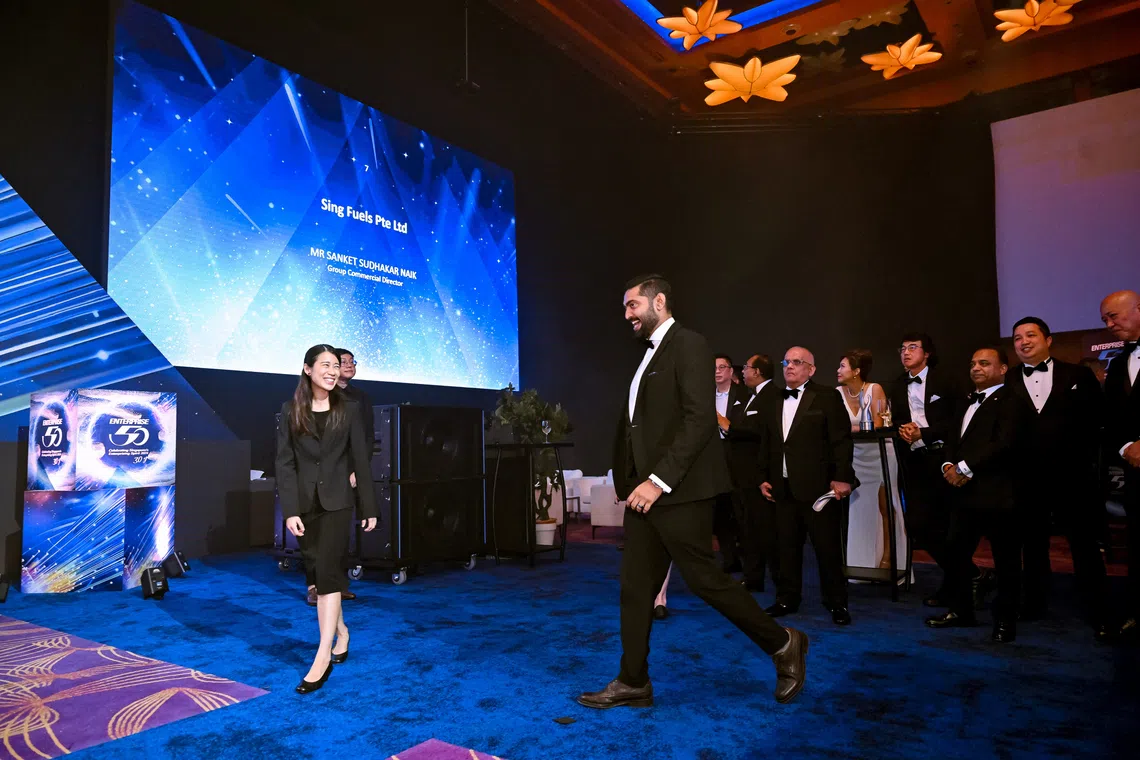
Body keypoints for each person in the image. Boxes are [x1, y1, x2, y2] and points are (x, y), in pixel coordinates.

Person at [576, 275, 806, 709]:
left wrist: (658, 480)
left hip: (678, 490)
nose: (626, 315)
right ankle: (633, 680)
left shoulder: (690, 344)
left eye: (632, 305)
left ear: (658, 302)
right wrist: (630, 480)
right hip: (645, 493)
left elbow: (698, 421)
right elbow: (637, 427)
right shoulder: (649, 355)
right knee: (635, 588)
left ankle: (783, 644)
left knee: (705, 581)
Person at [276, 344, 378, 693]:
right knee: (318, 573)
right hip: (305, 505)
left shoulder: (349, 409)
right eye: (326, 365)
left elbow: (361, 459)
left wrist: (369, 507)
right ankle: (342, 631)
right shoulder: (291, 410)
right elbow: (284, 463)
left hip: (338, 502)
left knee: (329, 574)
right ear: (308, 369)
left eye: (337, 365)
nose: (333, 371)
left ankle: (321, 657)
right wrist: (290, 509)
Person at [1006, 317, 1110, 640]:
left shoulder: (1077, 375)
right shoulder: (1008, 379)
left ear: (1048, 340)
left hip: (1072, 477)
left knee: (1084, 544)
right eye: (1017, 337)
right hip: (1025, 479)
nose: (1024, 342)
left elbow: (1097, 420)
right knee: (1032, 545)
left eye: (1031, 335)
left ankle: (1099, 610)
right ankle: (1034, 603)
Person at [926, 347, 1033, 643]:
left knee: (1006, 560)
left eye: (984, 363)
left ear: (1003, 369)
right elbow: (953, 438)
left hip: (998, 493)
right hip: (963, 493)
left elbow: (1004, 444)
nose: (976, 368)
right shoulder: (965, 400)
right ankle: (961, 611)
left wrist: (963, 467)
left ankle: (1005, 621)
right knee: (956, 552)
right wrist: (948, 464)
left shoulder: (1013, 400)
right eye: (973, 363)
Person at [890, 333, 992, 608]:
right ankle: (970, 574)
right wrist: (903, 429)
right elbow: (896, 418)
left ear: (927, 353)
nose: (906, 352)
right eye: (902, 348)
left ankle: (953, 586)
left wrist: (924, 432)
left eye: (913, 347)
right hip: (914, 461)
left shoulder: (947, 380)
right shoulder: (897, 384)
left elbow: (960, 419)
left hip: (944, 458)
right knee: (919, 526)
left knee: (948, 527)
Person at [757, 347, 855, 625]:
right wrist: (763, 477)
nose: (789, 366)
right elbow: (767, 442)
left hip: (819, 489)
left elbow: (841, 440)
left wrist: (843, 477)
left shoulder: (827, 396)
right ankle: (787, 599)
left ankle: (837, 603)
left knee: (827, 549)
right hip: (782, 488)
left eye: (797, 362)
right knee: (785, 548)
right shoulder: (774, 398)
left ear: (811, 369)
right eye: (786, 361)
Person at [301, 347, 375, 606]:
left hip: (346, 475)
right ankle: (315, 585)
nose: (347, 366)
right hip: (316, 479)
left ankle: (336, 585)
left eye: (351, 362)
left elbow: (365, 438)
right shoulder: (310, 399)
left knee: (338, 535)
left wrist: (356, 471)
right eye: (341, 362)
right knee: (314, 538)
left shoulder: (359, 399)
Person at [837, 350, 905, 575]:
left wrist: (848, 429)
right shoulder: (837, 393)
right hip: (856, 456)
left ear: (856, 371)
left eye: (843, 366)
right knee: (860, 508)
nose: (838, 370)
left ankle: (889, 557)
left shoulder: (874, 389)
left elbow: (877, 424)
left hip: (880, 453)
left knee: (886, 505)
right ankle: (863, 561)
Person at [720, 353, 779, 591]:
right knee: (747, 527)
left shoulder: (772, 396)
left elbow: (759, 432)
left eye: (745, 367)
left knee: (763, 528)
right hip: (740, 474)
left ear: (757, 371)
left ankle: (776, 580)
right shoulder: (748, 396)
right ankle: (753, 577)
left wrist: (725, 423)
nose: (742, 371)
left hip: (758, 474)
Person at [1100, 290, 1140, 639]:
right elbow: (1111, 419)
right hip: (1134, 470)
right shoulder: (1116, 364)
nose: (1109, 324)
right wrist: (1127, 447)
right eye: (1105, 320)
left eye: (1114, 316)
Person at [713, 353, 746, 573]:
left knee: (740, 508)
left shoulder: (743, 394)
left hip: (736, 455)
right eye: (714, 368)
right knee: (719, 510)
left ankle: (747, 557)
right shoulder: (704, 396)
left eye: (722, 367)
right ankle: (729, 558)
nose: (717, 371)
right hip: (713, 455)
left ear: (731, 371)